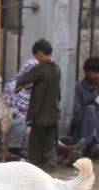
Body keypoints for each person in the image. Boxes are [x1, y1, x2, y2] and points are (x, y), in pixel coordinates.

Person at [15, 39, 61, 169]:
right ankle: (50, 162)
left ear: (40, 54)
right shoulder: (57, 68)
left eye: (35, 56)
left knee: (36, 141)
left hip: (40, 114)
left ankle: (36, 165)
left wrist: (19, 85)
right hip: (54, 113)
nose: (35, 59)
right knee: (50, 142)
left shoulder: (40, 68)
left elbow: (25, 79)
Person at [2, 58, 39, 158]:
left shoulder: (36, 88)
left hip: (30, 120)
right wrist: (25, 118)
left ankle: (67, 150)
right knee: (29, 131)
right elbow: (7, 107)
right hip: (15, 119)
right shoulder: (12, 86)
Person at [68, 56, 99, 159]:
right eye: (94, 72)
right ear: (86, 72)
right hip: (82, 127)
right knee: (90, 110)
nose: (97, 75)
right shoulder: (79, 87)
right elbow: (77, 113)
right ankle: (89, 146)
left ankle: (89, 147)